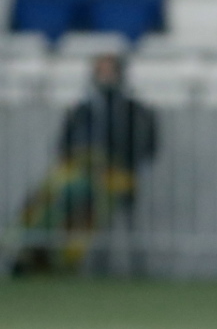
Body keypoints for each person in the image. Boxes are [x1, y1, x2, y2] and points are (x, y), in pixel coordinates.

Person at [9, 52, 158, 274]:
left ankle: (61, 262)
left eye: (110, 71)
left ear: (121, 74)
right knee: (44, 195)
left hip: (115, 176)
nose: (105, 76)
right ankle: (21, 245)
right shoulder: (81, 109)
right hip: (79, 171)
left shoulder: (135, 110)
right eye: (101, 71)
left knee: (84, 202)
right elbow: (64, 145)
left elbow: (146, 147)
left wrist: (112, 161)